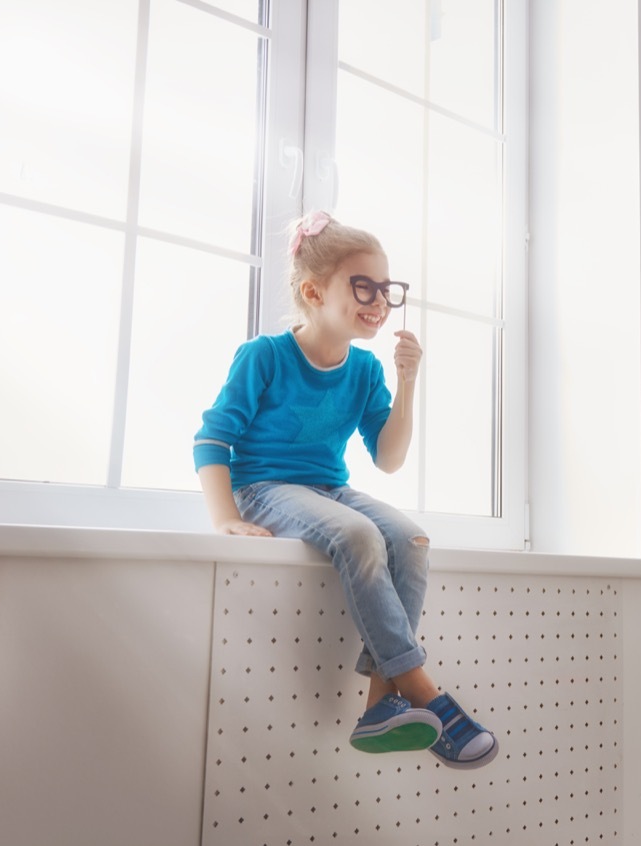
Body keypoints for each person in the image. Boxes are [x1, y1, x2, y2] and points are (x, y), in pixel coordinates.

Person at [194, 210, 498, 769]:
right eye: (364, 287)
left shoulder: (362, 370)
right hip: (266, 488)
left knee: (411, 540)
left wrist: (407, 382)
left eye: (386, 290)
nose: (379, 301)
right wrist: (224, 518)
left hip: (328, 491)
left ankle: (382, 701)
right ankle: (425, 692)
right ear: (313, 290)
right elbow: (212, 441)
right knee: (359, 535)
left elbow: (388, 458)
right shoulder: (264, 355)